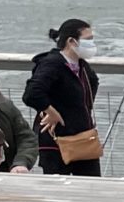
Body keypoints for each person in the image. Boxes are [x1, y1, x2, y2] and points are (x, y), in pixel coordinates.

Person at [24, 19, 102, 177]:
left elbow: (93, 82)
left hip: (83, 138)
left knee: (92, 186)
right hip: (55, 141)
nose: (92, 44)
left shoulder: (82, 65)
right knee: (58, 187)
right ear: (71, 41)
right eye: (88, 39)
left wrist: (82, 109)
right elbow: (32, 93)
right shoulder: (52, 64)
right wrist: (51, 112)